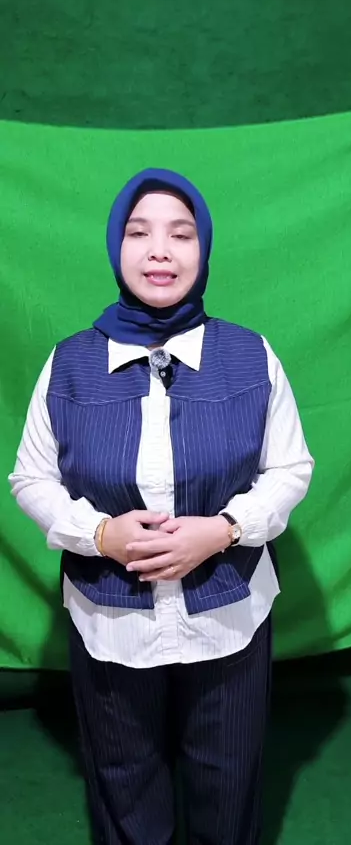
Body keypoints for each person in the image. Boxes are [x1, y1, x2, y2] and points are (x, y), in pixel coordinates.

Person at [9, 168, 314, 845]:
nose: (159, 251)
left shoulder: (251, 355)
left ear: (204, 249)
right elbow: (30, 478)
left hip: (230, 618)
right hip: (109, 621)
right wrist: (100, 534)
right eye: (138, 232)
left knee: (227, 785)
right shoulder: (68, 365)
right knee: (124, 783)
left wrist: (225, 529)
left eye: (181, 234)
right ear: (115, 247)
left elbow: (291, 468)